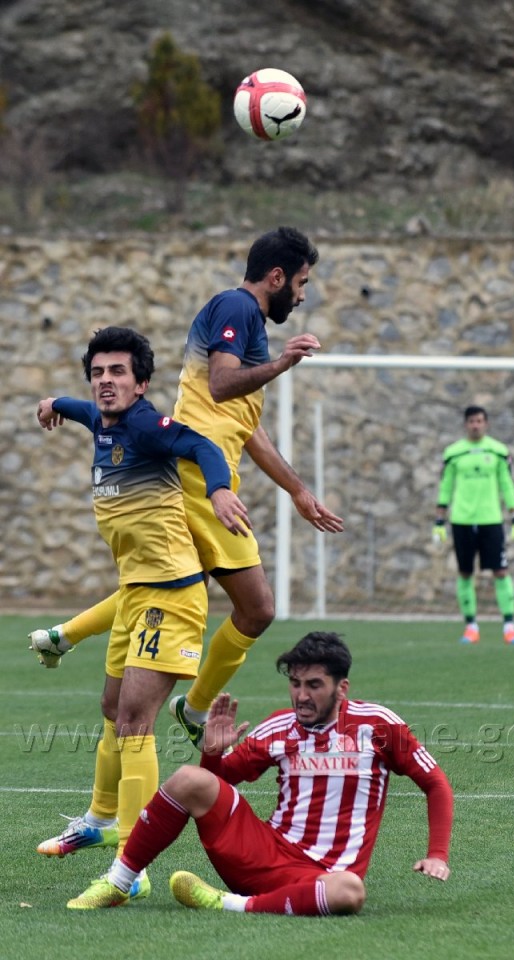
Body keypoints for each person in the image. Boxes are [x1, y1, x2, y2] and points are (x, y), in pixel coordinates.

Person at [30, 225, 343, 739]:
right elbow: (221, 386)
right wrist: (283, 364)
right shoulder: (236, 307)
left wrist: (296, 489)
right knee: (257, 608)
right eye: (302, 283)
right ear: (277, 276)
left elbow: (249, 428)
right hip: (200, 476)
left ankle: (64, 637)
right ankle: (194, 709)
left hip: (205, 472)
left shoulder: (249, 326)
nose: (303, 296)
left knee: (168, 581)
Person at [35, 325, 252, 905]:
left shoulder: (144, 425)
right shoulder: (102, 418)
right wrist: (53, 404)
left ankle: (129, 869)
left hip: (171, 597)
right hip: (136, 593)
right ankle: (101, 820)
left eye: (118, 373)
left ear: (141, 384)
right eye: (99, 372)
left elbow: (199, 445)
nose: (106, 382)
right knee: (112, 709)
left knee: (134, 718)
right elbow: (83, 409)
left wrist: (220, 489)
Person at [65, 631, 453, 913]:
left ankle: (228, 904)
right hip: (261, 853)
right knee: (188, 779)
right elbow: (216, 785)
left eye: (314, 685)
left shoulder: (379, 726)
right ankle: (118, 882)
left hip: (323, 877)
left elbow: (435, 784)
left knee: (350, 893)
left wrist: (437, 854)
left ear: (342, 688)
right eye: (295, 683)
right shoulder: (280, 727)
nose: (301, 695)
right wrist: (214, 753)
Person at [432, 405, 514, 645]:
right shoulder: (453, 453)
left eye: (480, 421)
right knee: (465, 572)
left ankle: (509, 626)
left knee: (501, 571)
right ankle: (471, 627)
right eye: (472, 421)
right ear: (466, 424)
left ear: (486, 424)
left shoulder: (498, 451)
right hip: (461, 520)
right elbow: (446, 486)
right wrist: (439, 521)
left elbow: (507, 484)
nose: (476, 425)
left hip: (491, 519)